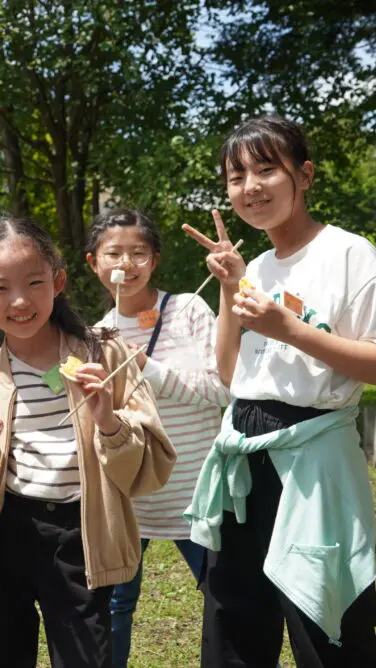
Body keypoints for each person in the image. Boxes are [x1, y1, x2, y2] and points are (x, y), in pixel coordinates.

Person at [182, 115, 376, 667]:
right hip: (243, 454)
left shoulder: (348, 254)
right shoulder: (258, 267)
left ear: (304, 175)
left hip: (314, 456)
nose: (250, 187)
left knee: (325, 622)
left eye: (267, 169)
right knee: (234, 621)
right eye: (236, 176)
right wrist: (230, 286)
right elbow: (229, 373)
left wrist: (290, 329)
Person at [0, 215, 177, 668]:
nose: (20, 301)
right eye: (0, 287)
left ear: (58, 281)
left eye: (33, 282)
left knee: (85, 655)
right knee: (1, 653)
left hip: (82, 535)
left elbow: (149, 469)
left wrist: (108, 420)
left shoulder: (104, 356)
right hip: (3, 534)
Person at [86, 207, 231, 668]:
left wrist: (150, 368)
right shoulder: (93, 337)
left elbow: (223, 390)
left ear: (155, 260)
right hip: (131, 496)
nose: (124, 264)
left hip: (197, 492)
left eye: (138, 253)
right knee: (114, 606)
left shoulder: (189, 309)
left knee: (224, 601)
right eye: (113, 254)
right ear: (94, 263)